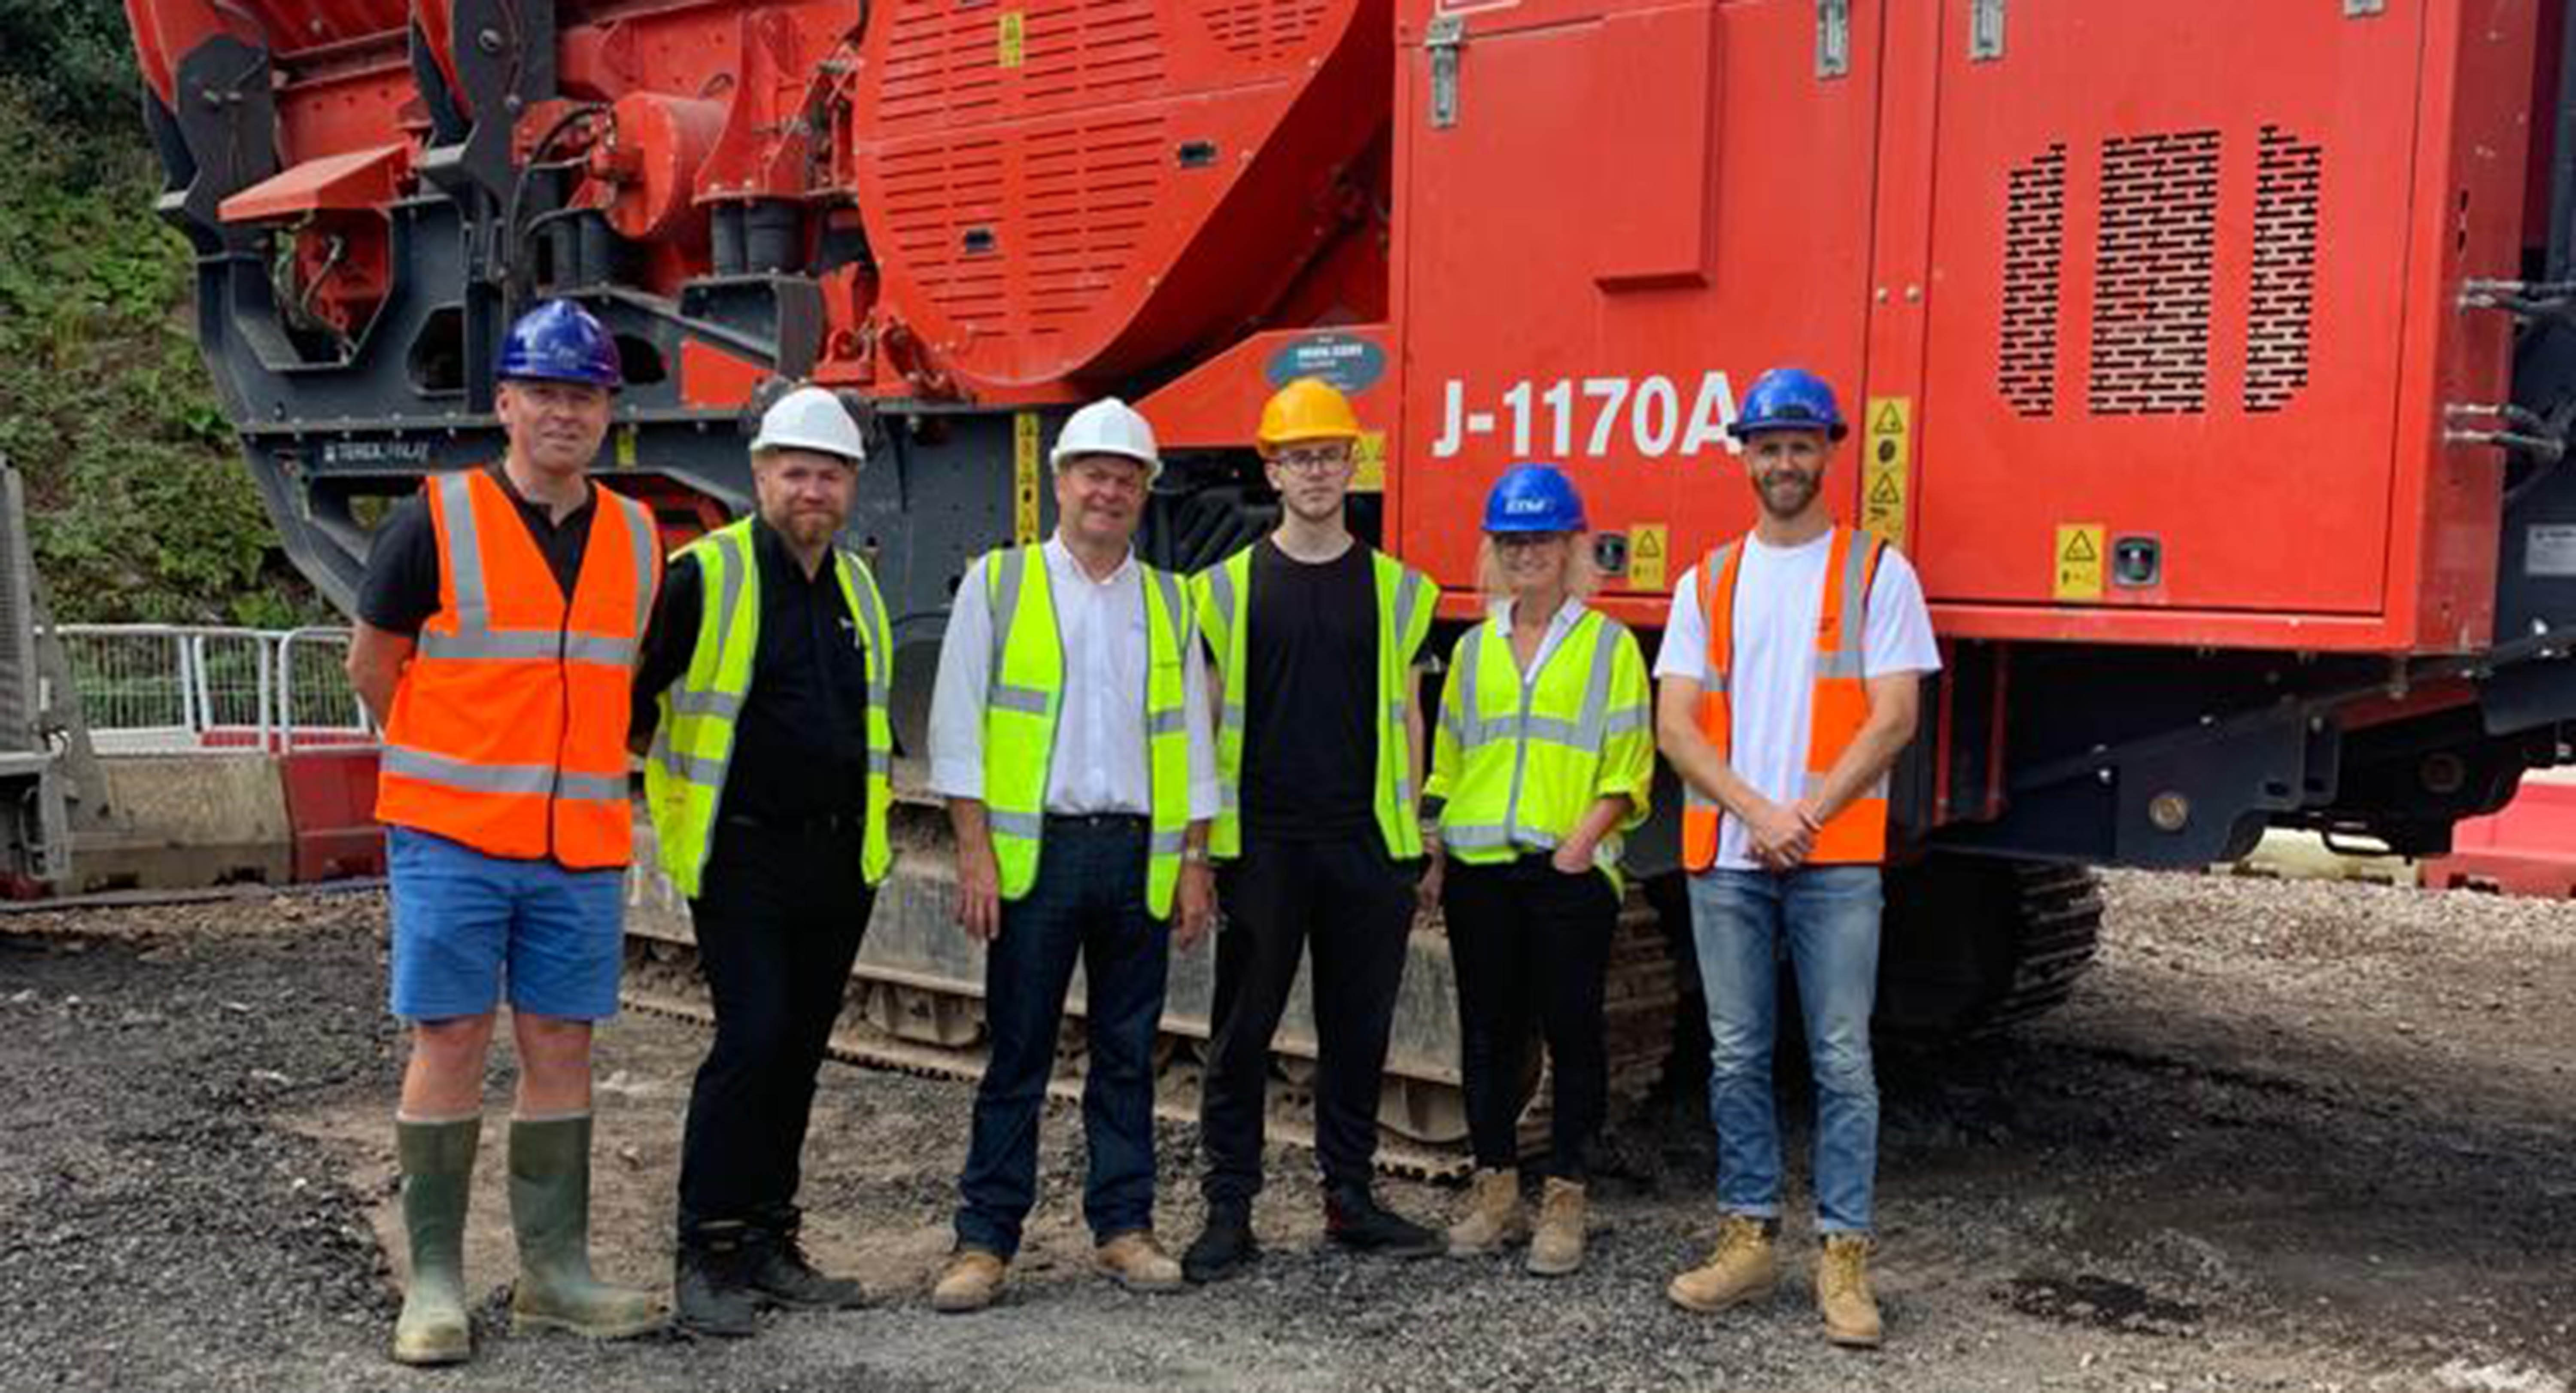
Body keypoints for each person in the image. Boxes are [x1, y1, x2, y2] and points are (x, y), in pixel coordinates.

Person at [345, 299, 665, 1365]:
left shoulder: (636, 536)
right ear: (506, 404)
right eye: (545, 392)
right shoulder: (435, 520)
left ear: (607, 411)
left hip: (578, 842)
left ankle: (553, 1273)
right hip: (453, 836)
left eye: (584, 395)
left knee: (562, 1042)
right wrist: (449, 765)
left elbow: (622, 678)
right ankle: (434, 1280)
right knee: (450, 1035)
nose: (565, 412)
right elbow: (373, 666)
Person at [1653, 366, 1940, 1348]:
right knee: (1737, 1051)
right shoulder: (1707, 580)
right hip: (1731, 853)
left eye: (1801, 444)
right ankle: (1749, 1235)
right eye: (1768, 445)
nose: (1784, 461)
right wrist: (1757, 814)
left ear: (1828, 452)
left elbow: (1895, 716)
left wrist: (1803, 816)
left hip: (1834, 853)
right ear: (1746, 456)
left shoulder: (1877, 572)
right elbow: (1676, 726)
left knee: (1842, 1057)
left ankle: (1844, 1252)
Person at [923, 397, 1221, 1312]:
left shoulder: (1170, 600)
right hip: (1037, 856)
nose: (1108, 491)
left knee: (1128, 1053)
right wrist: (973, 851)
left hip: (1136, 853)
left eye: (1126, 479)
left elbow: (1194, 740)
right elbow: (957, 725)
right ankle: (985, 1240)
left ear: (1144, 492)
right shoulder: (1001, 583)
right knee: (1018, 1051)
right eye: (1094, 473)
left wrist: (1196, 859)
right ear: (1060, 481)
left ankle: (1125, 1226)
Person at [630, 386, 893, 1336]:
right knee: (751, 1041)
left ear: (852, 484)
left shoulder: (859, 585)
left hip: (837, 858)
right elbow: (635, 698)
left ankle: (772, 1240)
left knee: (798, 1052)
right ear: (761, 475)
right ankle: (707, 1250)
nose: (812, 489)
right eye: (796, 472)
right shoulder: (705, 574)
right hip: (741, 851)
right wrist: (665, 800)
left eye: (830, 474)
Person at [1178, 378, 1445, 1284]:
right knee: (1241, 1031)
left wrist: (1416, 834)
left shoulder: (1398, 590)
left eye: (1331, 456)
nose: (1318, 472)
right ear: (1272, 470)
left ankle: (1350, 1197)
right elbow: (1204, 722)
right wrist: (1197, 849)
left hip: (1365, 844)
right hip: (1263, 845)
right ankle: (1229, 1208)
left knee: (1358, 1029)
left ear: (1352, 465)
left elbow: (1409, 717)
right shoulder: (1221, 592)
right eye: (1300, 458)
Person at [1422, 463, 1652, 1278]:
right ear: (1494, 551)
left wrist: (1579, 849)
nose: (1527, 555)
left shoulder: (1609, 647)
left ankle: (1564, 1198)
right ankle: (1496, 1192)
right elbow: (1449, 758)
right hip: (1481, 869)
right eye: (1512, 542)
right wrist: (1437, 849)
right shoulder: (1473, 649)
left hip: (1568, 871)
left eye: (1542, 540)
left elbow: (1629, 764)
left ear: (1571, 547)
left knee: (1572, 1032)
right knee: (1488, 1033)